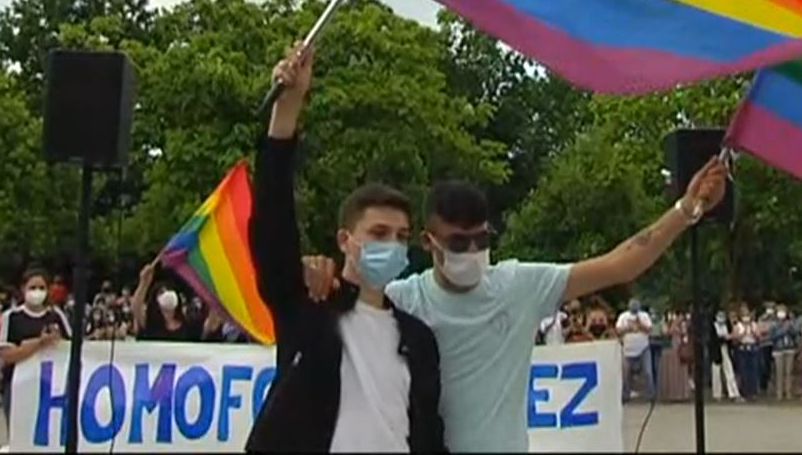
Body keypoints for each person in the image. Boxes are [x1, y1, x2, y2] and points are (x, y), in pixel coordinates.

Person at [301, 46, 729, 452]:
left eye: (482, 239)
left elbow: (621, 264)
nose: (472, 251)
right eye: (458, 242)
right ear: (427, 242)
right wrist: (311, 272)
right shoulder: (402, 300)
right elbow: (324, 297)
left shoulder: (519, 284)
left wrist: (687, 208)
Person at [246, 45, 445, 453]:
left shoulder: (418, 339)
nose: (391, 244)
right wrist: (288, 107)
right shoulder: (310, 306)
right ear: (345, 240)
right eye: (378, 232)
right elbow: (272, 226)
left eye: (401, 235)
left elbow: (427, 434)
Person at [0, 267, 71, 426]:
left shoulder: (56, 315)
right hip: (17, 387)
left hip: (52, 389)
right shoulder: (12, 317)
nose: (37, 292)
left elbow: (72, 349)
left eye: (41, 288)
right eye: (33, 287)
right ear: (23, 289)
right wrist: (39, 343)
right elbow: (5, 355)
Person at [130, 260, 221, 342]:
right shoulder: (151, 324)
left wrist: (214, 294)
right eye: (161, 292)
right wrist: (144, 283)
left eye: (170, 290)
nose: (167, 294)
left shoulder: (189, 325)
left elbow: (211, 325)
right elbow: (136, 307)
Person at [618, 299, 655, 402]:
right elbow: (618, 331)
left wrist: (640, 324)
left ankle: (650, 395)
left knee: (648, 372)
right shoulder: (623, 316)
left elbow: (649, 329)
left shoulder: (644, 316)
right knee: (625, 374)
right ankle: (625, 396)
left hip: (643, 348)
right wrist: (628, 327)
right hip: (627, 350)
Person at [772, 305, 799, 401]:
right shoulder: (774, 324)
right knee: (779, 372)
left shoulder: (790, 323)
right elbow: (773, 337)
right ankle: (779, 394)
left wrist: (790, 328)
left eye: (783, 311)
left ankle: (788, 393)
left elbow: (795, 334)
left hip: (789, 349)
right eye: (780, 311)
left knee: (788, 372)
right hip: (778, 350)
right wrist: (783, 330)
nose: (782, 313)